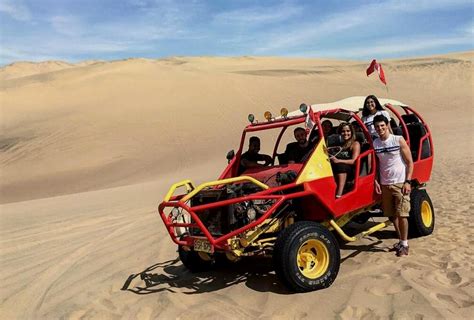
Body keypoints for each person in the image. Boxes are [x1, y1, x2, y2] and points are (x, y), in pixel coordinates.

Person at [373, 115, 414, 257]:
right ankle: (400, 241)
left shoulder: (398, 139)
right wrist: (376, 180)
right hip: (385, 184)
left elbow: (409, 162)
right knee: (392, 215)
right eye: (377, 127)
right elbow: (377, 164)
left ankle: (405, 244)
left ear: (387, 125)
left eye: (382, 126)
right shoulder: (376, 143)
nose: (380, 129)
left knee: (402, 214)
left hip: (400, 183)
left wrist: (408, 181)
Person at [330, 123, 361, 198]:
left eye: (348, 131)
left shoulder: (355, 144)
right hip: (339, 167)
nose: (345, 133)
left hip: (351, 169)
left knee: (341, 166)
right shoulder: (341, 144)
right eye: (343, 131)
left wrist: (338, 160)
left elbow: (354, 161)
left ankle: (339, 194)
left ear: (351, 132)